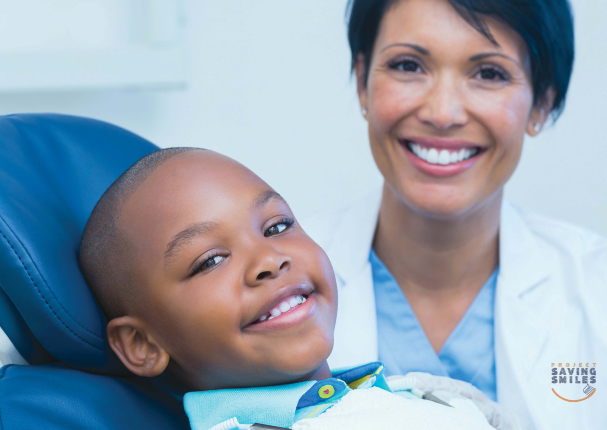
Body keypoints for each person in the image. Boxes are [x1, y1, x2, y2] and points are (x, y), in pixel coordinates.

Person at [302, 0, 606, 428]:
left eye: (489, 73)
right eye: (408, 65)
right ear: (362, 83)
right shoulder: (276, 283)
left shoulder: (596, 289)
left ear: (542, 103)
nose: (442, 113)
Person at [78, 148, 503, 430]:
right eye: (210, 261)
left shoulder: (409, 395)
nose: (269, 259)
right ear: (141, 343)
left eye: (276, 226)